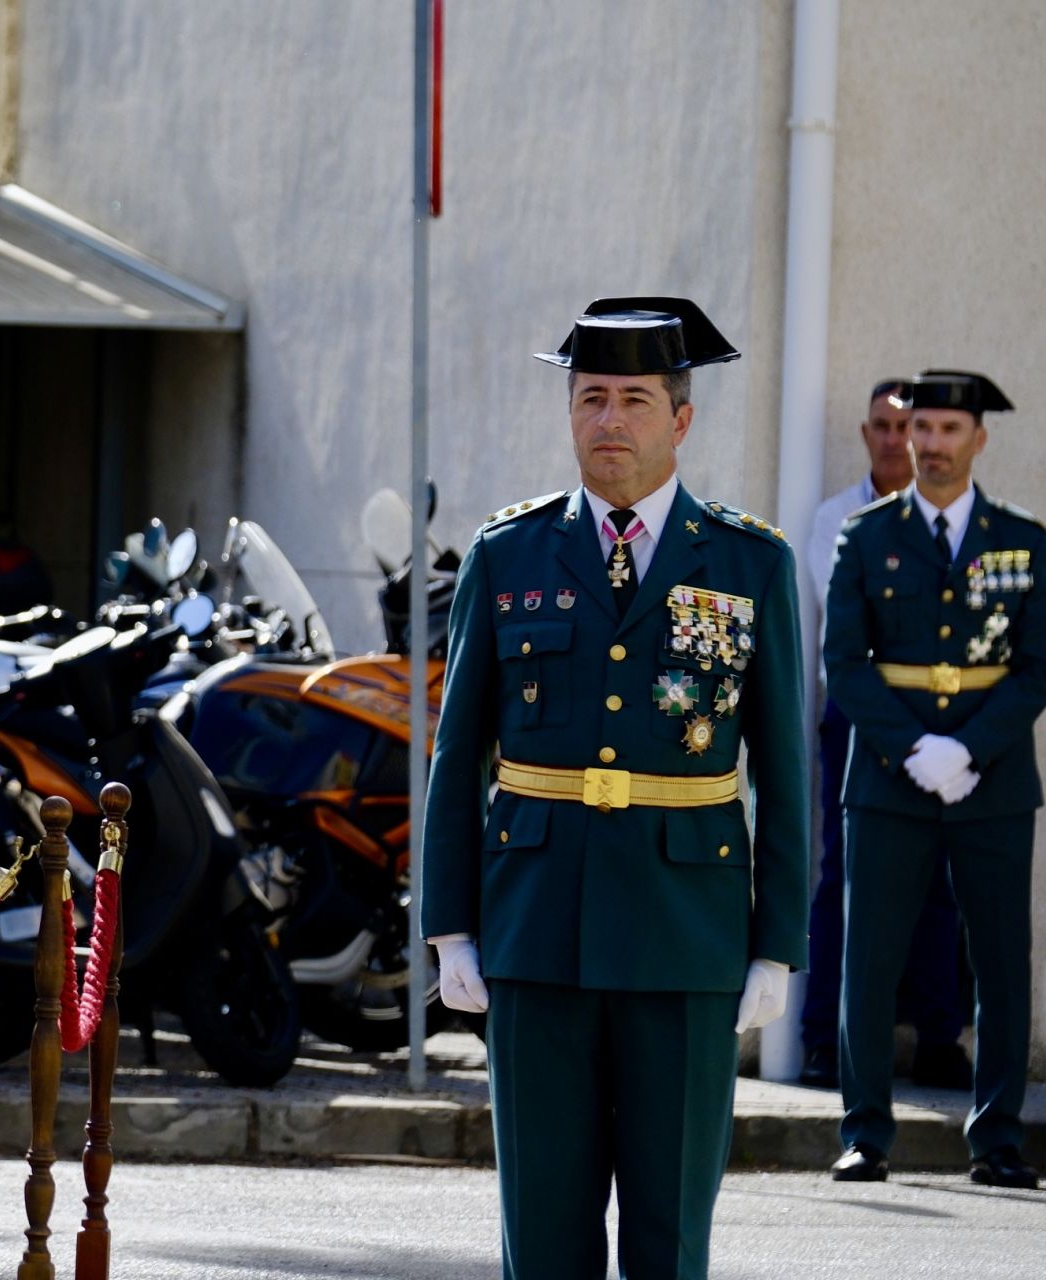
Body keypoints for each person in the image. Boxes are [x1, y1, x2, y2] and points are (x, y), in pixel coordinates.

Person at [422, 296, 809, 1279]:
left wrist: (777, 943)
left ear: (681, 419)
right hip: (536, 925)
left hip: (688, 934)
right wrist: (449, 924)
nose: (609, 420)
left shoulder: (749, 562)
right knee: (541, 1232)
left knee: (669, 1235)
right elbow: (456, 752)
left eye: (635, 398)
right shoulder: (507, 556)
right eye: (591, 396)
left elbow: (784, 767)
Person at [824, 370, 1042, 1190]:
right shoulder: (865, 537)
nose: (934, 445)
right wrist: (912, 748)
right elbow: (843, 660)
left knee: (999, 961)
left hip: (992, 780)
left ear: (979, 440)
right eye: (922, 430)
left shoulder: (1024, 541)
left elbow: (1035, 669)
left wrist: (969, 751)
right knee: (870, 960)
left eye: (952, 430)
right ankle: (864, 1134)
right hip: (890, 776)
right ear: (904, 437)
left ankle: (997, 1140)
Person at [798, 381, 969, 1091]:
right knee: (845, 877)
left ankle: (937, 1040)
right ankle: (821, 1039)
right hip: (861, 717)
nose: (898, 440)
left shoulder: (954, 520)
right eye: (884, 427)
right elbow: (855, 627)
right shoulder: (836, 519)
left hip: (945, 719)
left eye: (910, 428)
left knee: (941, 877)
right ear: (866, 436)